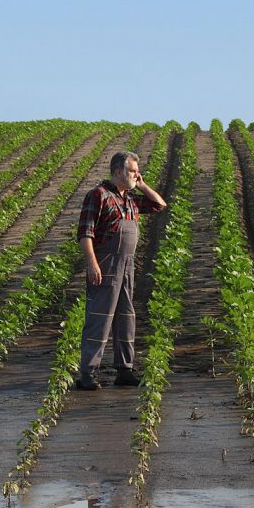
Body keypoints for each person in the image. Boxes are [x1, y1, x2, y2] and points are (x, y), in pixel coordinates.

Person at [76, 150, 167, 390]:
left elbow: (159, 204)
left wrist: (143, 185)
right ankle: (88, 373)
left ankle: (124, 369)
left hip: (127, 265)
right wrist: (92, 264)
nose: (136, 175)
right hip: (106, 264)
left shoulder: (130, 199)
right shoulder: (99, 195)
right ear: (117, 171)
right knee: (99, 319)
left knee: (126, 318)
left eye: (137, 171)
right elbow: (85, 234)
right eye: (132, 171)